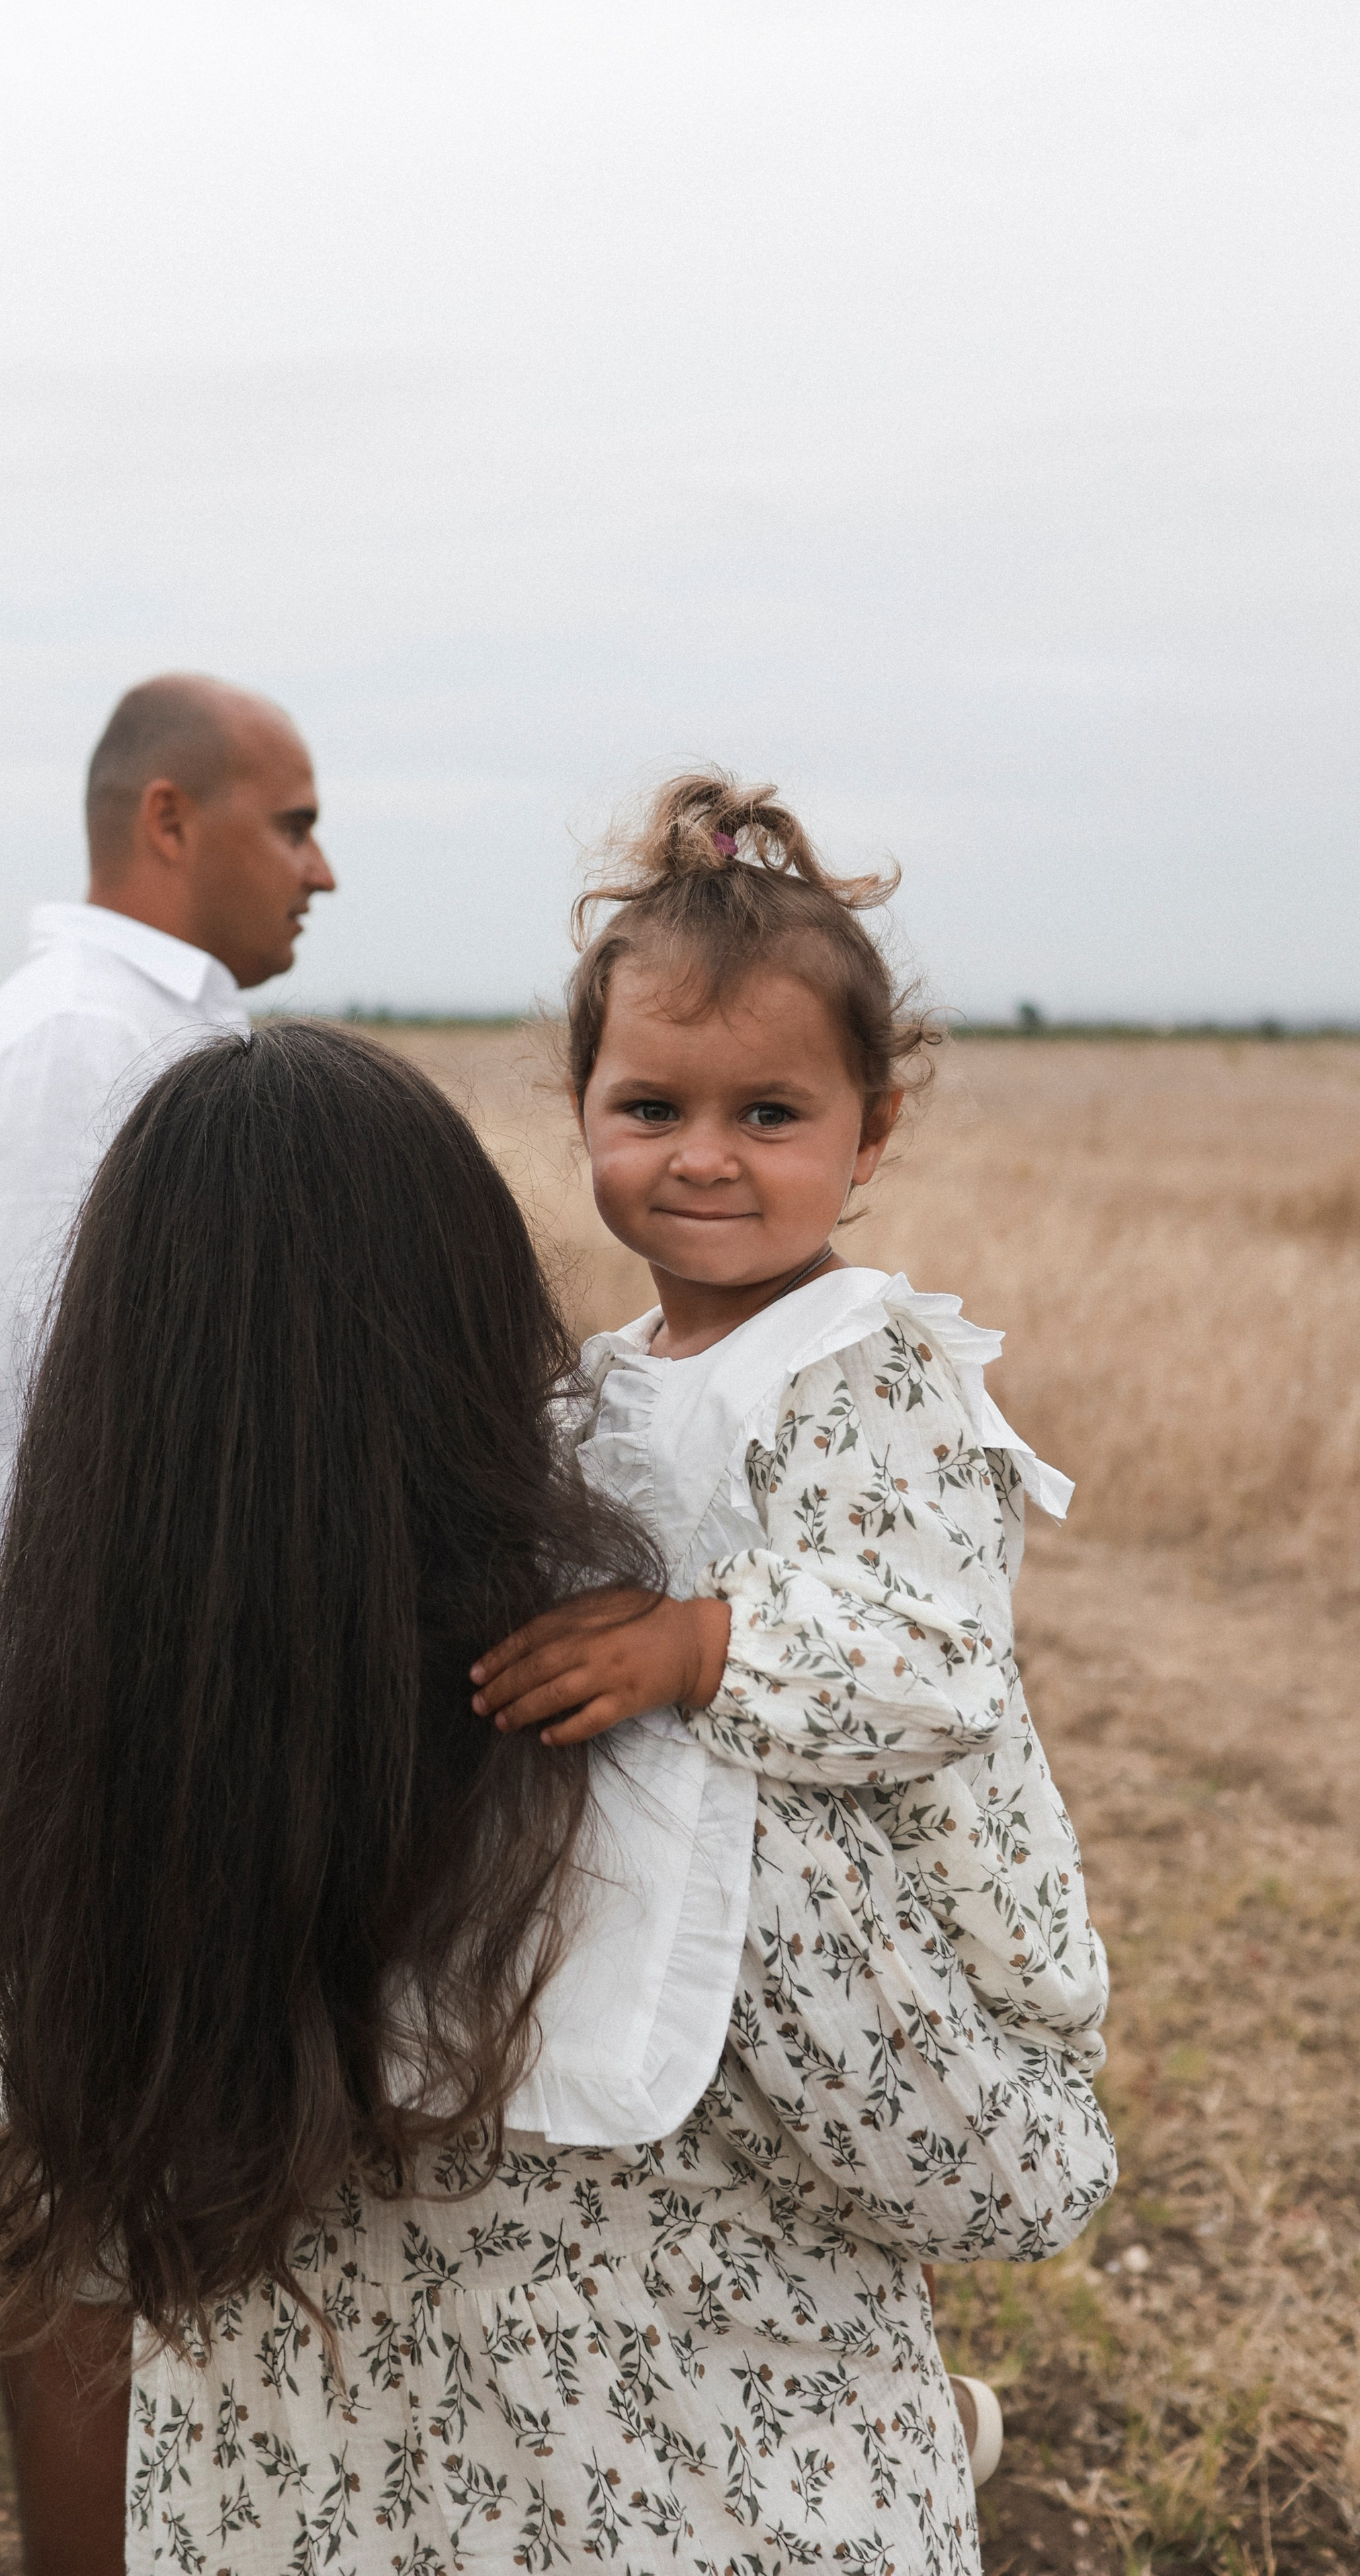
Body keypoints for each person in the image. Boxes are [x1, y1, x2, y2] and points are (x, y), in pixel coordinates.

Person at [0, 1020, 1115, 2576]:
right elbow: (1002, 2180)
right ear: (473, 1307)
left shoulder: (87, 1785)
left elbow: (93, 2260)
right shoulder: (647, 1705)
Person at [469, 768, 1113, 2492]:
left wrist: (691, 1648)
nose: (700, 1157)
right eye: (648, 1106)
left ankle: (885, 2451)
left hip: (870, 1924)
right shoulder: (601, 1381)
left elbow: (932, 1659)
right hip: (695, 1901)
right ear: (581, 1110)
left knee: (826, 2228)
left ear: (868, 1132)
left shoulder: (866, 1360)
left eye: (767, 1113)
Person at [0, 674, 333, 1895]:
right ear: (169, 819)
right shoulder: (80, 1039)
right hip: (104, 1768)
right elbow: (114, 1423)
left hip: (162, 1747)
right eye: (295, 826)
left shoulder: (145, 1028)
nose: (323, 873)